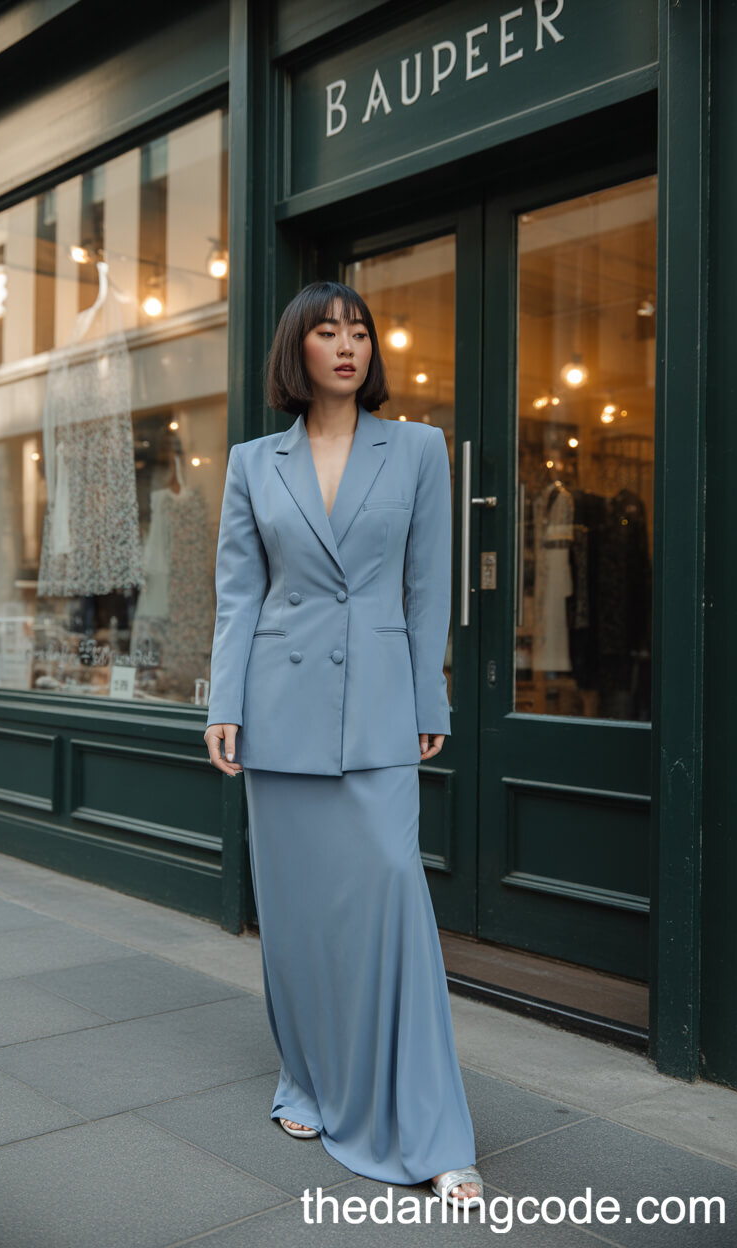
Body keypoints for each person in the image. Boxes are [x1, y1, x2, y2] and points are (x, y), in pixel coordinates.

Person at [204, 280, 483, 1210]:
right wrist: (224, 702)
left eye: (359, 330)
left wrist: (428, 689)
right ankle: (312, 1084)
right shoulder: (253, 462)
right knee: (296, 925)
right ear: (299, 350)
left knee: (392, 903)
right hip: (278, 716)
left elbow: (425, 586)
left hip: (376, 716)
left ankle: (433, 1130)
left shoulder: (420, 450)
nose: (346, 344)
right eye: (326, 331)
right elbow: (240, 594)